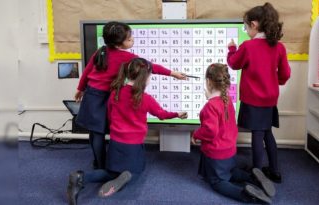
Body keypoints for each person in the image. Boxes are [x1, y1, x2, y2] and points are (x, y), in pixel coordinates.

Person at [67, 58, 188, 205]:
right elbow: (162, 115)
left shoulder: (115, 93)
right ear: (145, 78)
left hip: (116, 142)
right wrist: (177, 114)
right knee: (137, 172)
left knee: (111, 172)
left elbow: (110, 114)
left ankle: (81, 177)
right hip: (133, 145)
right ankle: (127, 175)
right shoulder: (145, 98)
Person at [75, 21, 186, 169]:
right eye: (129, 39)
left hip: (92, 95)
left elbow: (87, 72)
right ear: (118, 44)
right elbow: (149, 66)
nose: (132, 40)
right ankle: (107, 163)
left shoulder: (101, 51)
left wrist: (81, 89)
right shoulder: (126, 57)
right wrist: (172, 73)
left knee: (96, 133)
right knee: (104, 131)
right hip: (105, 96)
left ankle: (99, 163)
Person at [192, 63, 275, 204]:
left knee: (217, 181)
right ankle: (253, 178)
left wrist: (196, 134)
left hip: (216, 152)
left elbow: (210, 131)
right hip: (230, 150)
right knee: (230, 172)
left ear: (208, 82)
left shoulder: (210, 106)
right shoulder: (227, 99)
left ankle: (246, 195)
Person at [227, 2, 291, 183]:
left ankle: (256, 173)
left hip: (253, 99)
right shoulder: (279, 47)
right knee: (267, 132)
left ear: (254, 25)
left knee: (257, 134)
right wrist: (274, 81)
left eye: (246, 27)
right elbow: (285, 74)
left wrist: (232, 49)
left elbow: (234, 63)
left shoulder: (248, 46)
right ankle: (275, 170)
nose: (246, 30)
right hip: (270, 99)